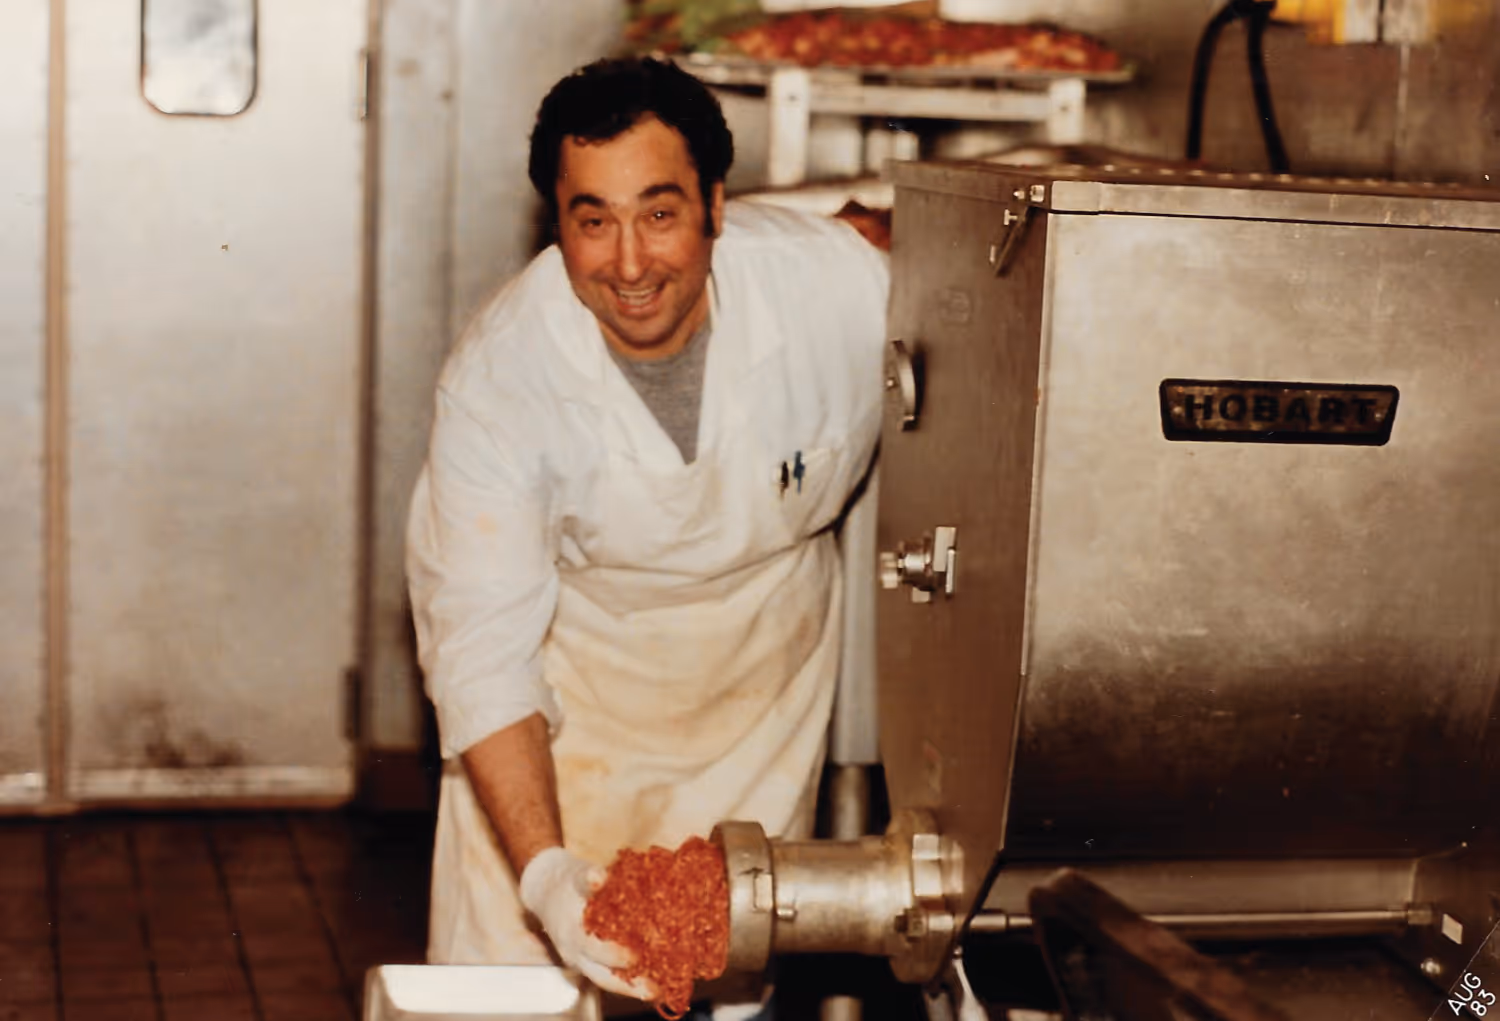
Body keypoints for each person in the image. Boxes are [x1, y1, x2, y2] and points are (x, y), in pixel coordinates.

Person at [405, 56, 890, 1007]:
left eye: (660, 214)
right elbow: (479, 647)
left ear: (718, 204)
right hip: (565, 718)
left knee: (718, 983)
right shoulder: (500, 378)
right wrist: (545, 872)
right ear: (558, 222)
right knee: (513, 997)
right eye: (594, 221)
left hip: (758, 702)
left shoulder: (831, 286)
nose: (629, 264)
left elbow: (942, 253)